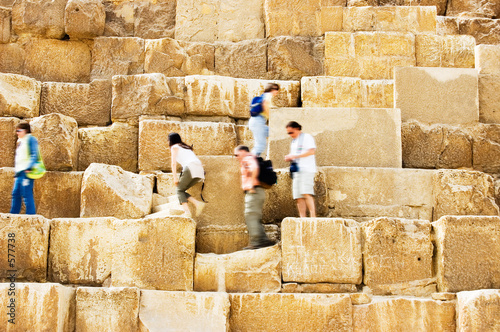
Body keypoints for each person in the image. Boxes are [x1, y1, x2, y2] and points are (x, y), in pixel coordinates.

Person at [234, 145, 275, 249]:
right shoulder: (251, 158)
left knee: (250, 215)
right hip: (258, 191)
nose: (236, 157)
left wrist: (251, 185)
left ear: (243, 152)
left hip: (254, 191)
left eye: (237, 154)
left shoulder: (247, 158)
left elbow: (255, 168)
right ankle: (263, 240)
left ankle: (257, 242)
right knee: (254, 216)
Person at [284, 121, 317, 218]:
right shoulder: (293, 141)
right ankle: (303, 218)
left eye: (291, 132)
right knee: (298, 196)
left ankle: (313, 217)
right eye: (288, 133)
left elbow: (311, 151)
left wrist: (295, 156)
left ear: (297, 129)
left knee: (306, 193)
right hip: (297, 170)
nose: (290, 135)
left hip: (306, 169)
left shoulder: (307, 137)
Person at [169, 133, 206, 217]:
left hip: (190, 168)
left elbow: (173, 163)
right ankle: (197, 204)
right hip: (199, 170)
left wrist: (175, 177)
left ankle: (187, 212)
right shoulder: (186, 147)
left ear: (171, 140)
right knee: (181, 191)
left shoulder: (174, 147)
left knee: (178, 190)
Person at [10, 122, 38, 215]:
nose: (17, 133)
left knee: (26, 194)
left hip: (26, 172)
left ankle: (31, 216)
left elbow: (34, 154)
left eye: (19, 131)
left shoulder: (31, 139)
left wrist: (29, 167)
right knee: (16, 194)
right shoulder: (22, 141)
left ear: (25, 130)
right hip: (19, 173)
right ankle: (13, 216)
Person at [248, 83, 280, 157]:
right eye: (276, 89)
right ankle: (249, 162)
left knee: (273, 133)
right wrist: (270, 117)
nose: (277, 91)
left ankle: (268, 156)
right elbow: (265, 105)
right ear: (271, 89)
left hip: (258, 122)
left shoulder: (264, 96)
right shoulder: (268, 95)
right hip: (258, 122)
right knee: (260, 145)